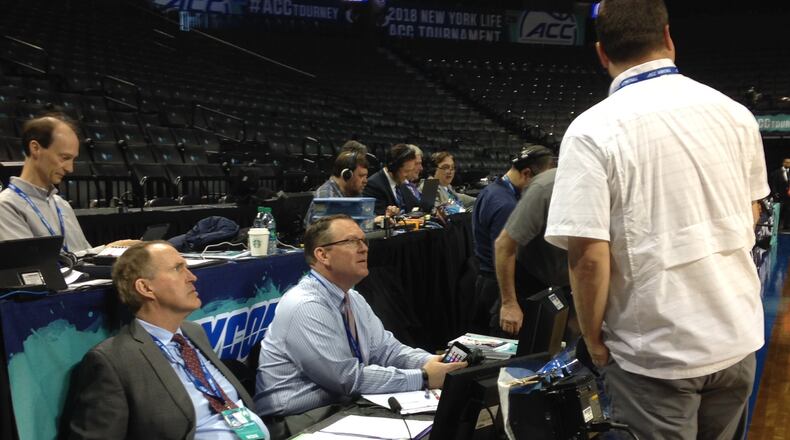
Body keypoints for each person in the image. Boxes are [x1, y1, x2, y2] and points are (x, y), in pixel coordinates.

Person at [544, 1, 768, 438]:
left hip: (656, 355)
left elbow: (589, 258)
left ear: (601, 54)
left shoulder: (592, 130)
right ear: (668, 38)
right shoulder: (735, 113)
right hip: (736, 336)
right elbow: (752, 211)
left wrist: (592, 339)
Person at [255, 215, 466, 436]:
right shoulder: (305, 305)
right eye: (351, 241)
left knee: (444, 420)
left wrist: (431, 362)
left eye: (364, 241)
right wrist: (423, 377)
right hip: (296, 420)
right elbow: (347, 379)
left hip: (341, 407)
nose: (363, 248)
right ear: (322, 254)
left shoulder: (353, 299)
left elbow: (387, 350)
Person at [67, 241, 268, 439]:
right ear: (145, 288)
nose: (192, 277)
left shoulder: (194, 333)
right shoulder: (113, 360)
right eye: (178, 269)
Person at [0, 113, 135, 254]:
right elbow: (33, 269)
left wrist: (113, 250)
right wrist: (106, 249)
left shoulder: (61, 204)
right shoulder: (6, 206)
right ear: (35, 148)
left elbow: (84, 258)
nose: (69, 168)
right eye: (64, 157)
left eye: (72, 159)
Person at [471, 145, 554, 334]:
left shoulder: (492, 190)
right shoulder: (506, 204)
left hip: (488, 283)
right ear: (526, 173)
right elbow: (504, 253)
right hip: (500, 289)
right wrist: (509, 303)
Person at [494, 164, 569, 338]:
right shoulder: (545, 188)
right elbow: (503, 246)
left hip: (566, 285)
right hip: (531, 283)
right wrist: (509, 303)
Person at [303, 150, 370, 225]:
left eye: (366, 176)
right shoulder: (326, 196)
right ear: (347, 175)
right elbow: (327, 233)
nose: (365, 181)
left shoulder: (354, 192)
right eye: (361, 176)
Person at [363, 143, 418, 215]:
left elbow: (416, 206)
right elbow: (379, 217)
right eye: (406, 171)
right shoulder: (373, 186)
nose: (408, 176)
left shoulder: (401, 183)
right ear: (394, 167)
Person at [769, 157, 790, 230]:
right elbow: (773, 183)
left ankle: (786, 225)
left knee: (788, 210)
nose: (788, 164)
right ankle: (776, 226)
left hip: (788, 196)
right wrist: (775, 193)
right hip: (779, 195)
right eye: (787, 162)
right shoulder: (777, 172)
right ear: (783, 163)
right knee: (778, 211)